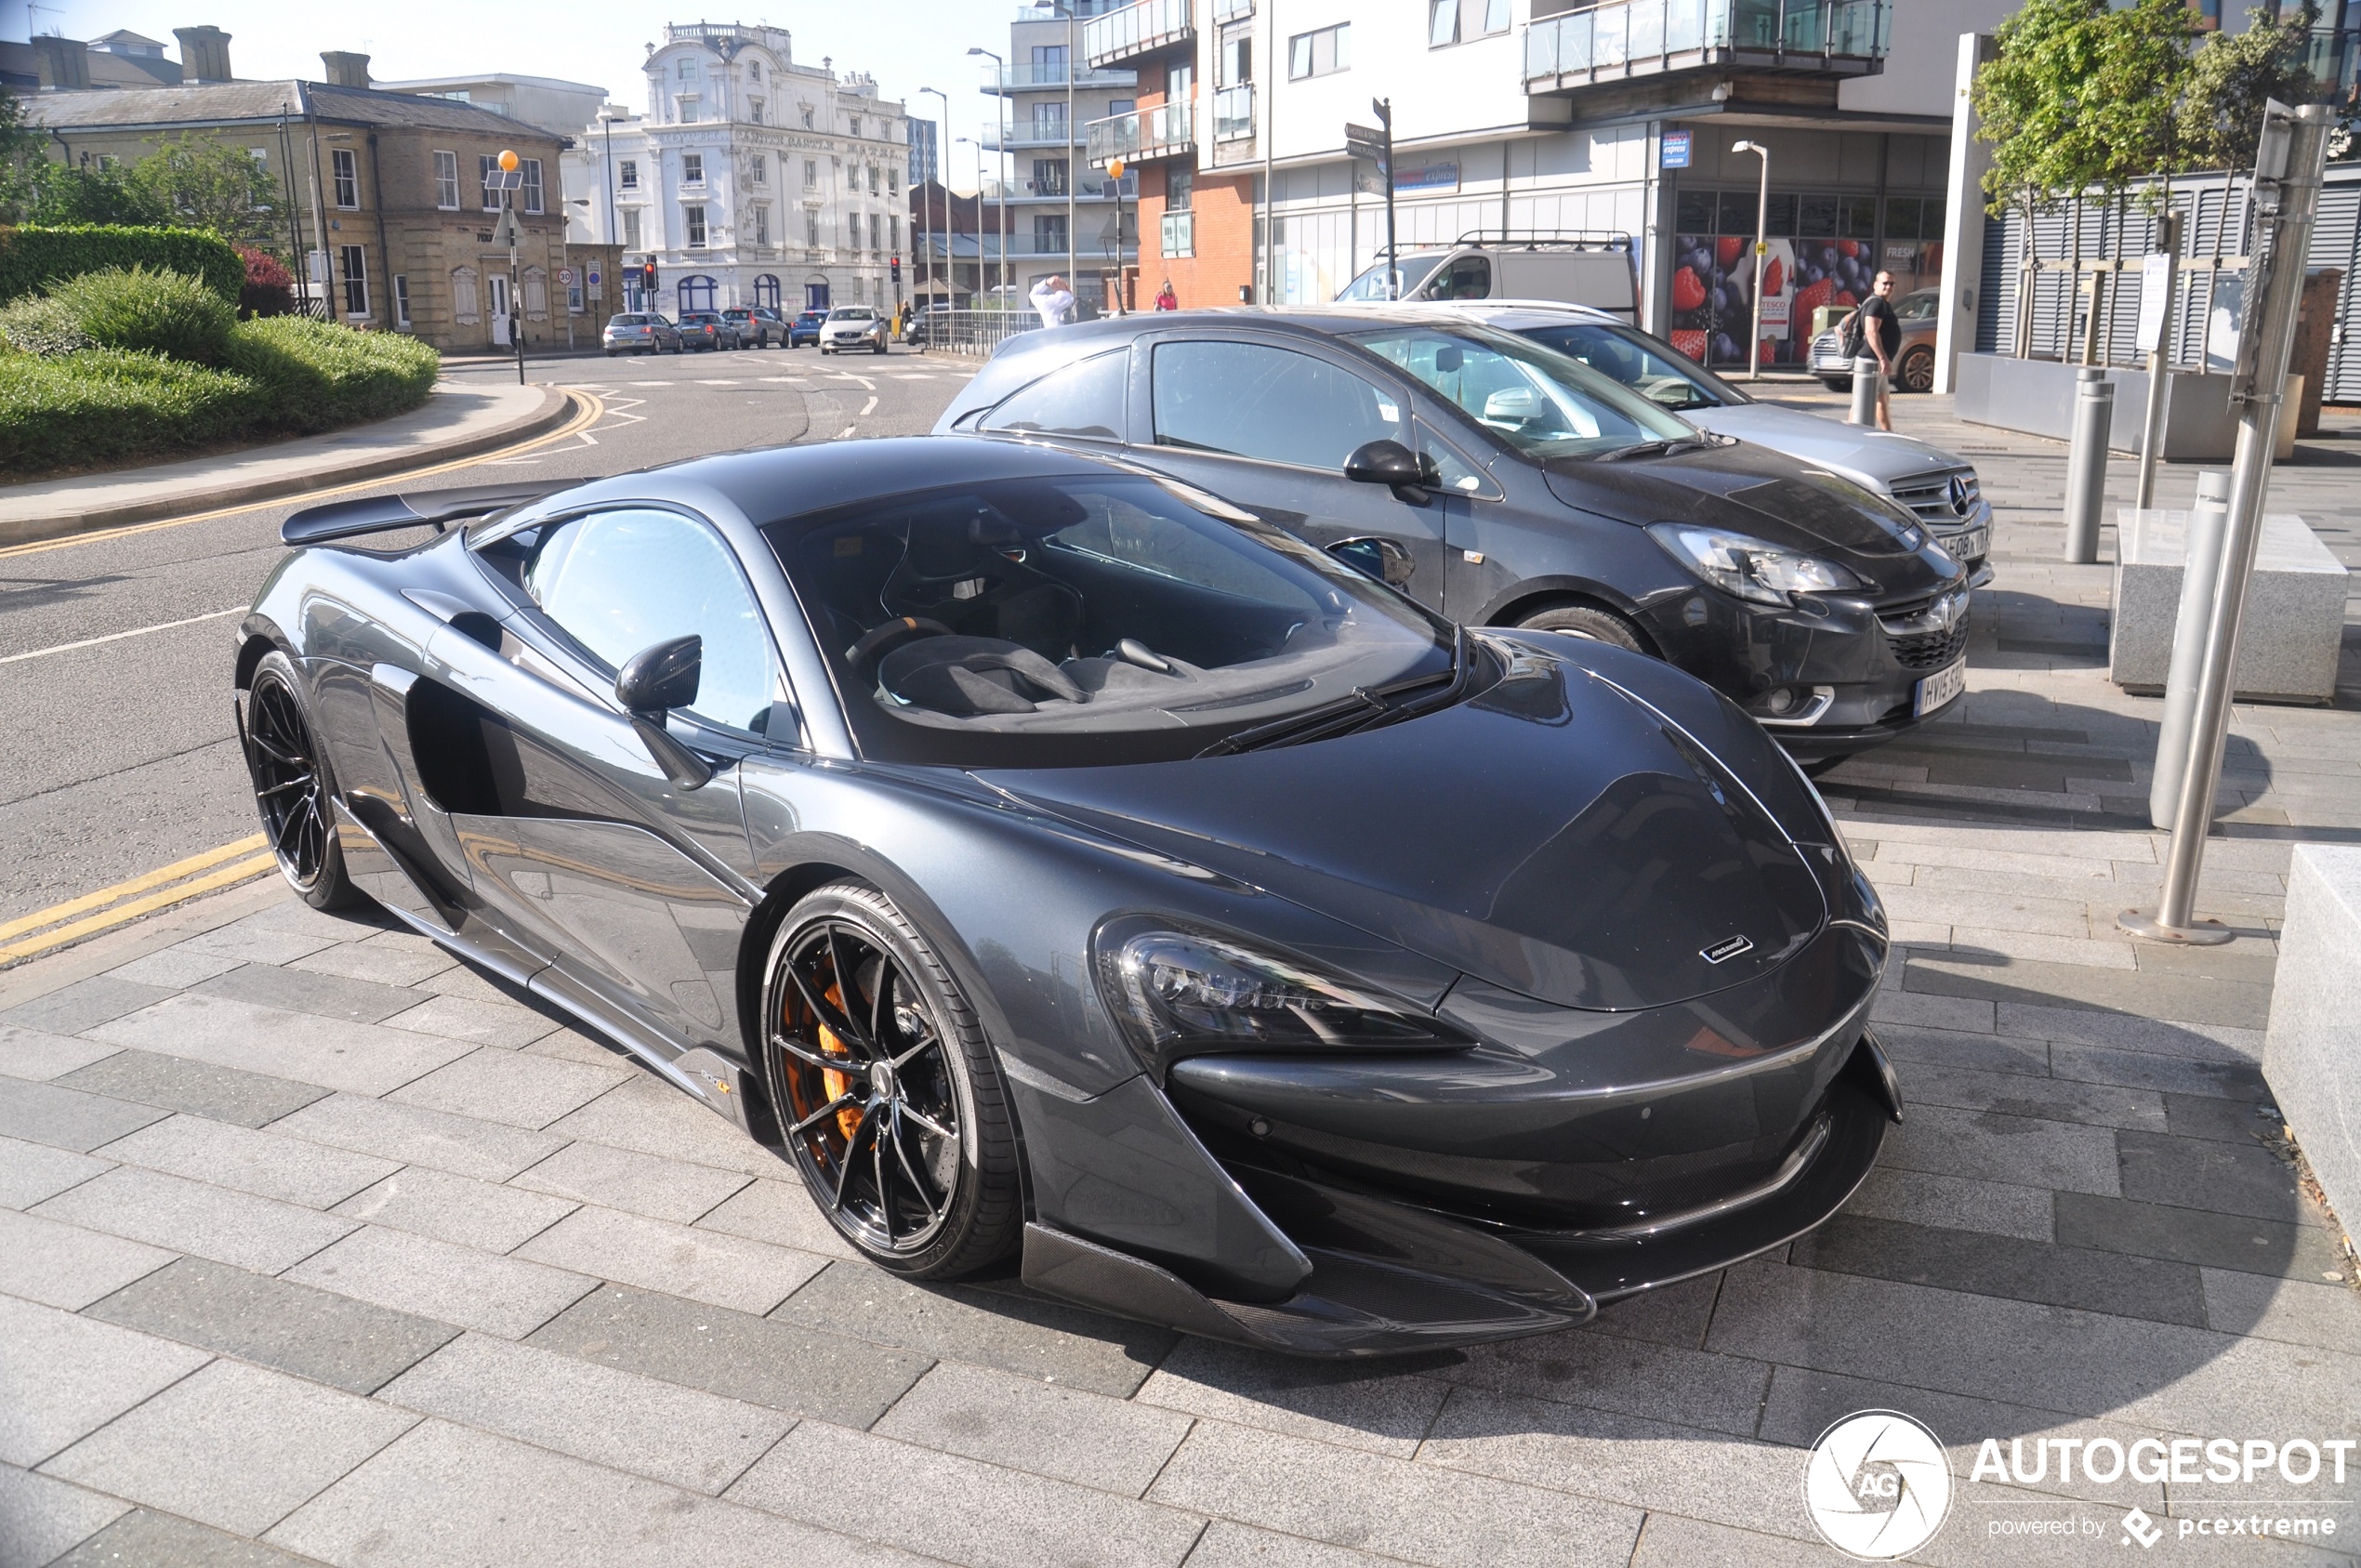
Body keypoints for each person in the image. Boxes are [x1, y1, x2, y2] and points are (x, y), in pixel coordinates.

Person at [1846, 270, 1902, 432]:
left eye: (1892, 283)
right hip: (1871, 361)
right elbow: (1871, 331)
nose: (1889, 287)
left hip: (1877, 361)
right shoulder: (1876, 304)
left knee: (1882, 399)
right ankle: (1851, 433)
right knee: (1861, 402)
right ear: (1876, 285)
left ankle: (1888, 434)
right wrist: (1882, 358)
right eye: (1885, 283)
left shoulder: (1882, 304)